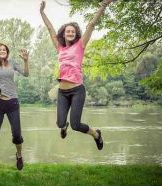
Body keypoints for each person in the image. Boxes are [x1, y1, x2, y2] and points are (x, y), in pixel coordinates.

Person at [40, 0, 113, 150]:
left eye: (73, 31)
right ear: (64, 34)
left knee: (76, 125)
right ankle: (63, 126)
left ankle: (96, 134)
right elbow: (49, 28)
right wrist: (42, 12)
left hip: (77, 90)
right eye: (68, 31)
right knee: (60, 123)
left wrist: (103, 6)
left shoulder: (81, 45)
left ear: (76, 33)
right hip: (62, 91)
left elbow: (91, 25)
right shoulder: (59, 47)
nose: (71, 32)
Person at [0, 38, 29, 178]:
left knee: (17, 134)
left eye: (4, 50)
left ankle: (19, 156)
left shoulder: (12, 63)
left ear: (7, 52)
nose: (2, 51)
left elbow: (26, 74)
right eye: (0, 50)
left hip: (13, 103)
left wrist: (26, 60)